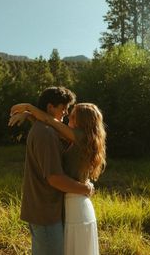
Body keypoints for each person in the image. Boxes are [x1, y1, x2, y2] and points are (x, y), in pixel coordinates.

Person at [10, 99, 106, 255]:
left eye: (73, 116)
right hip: (77, 201)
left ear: (82, 121)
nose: (68, 118)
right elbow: (49, 126)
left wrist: (28, 107)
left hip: (75, 203)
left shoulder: (80, 137)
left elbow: (50, 121)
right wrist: (29, 116)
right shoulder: (84, 138)